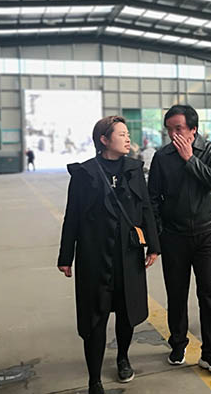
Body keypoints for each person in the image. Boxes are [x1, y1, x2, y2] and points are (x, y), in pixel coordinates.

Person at [57, 116, 160, 394]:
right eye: (121, 134)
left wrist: (153, 244)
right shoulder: (84, 173)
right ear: (104, 139)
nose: (128, 139)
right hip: (94, 257)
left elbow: (146, 208)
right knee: (95, 317)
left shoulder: (134, 169)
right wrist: (66, 256)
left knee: (127, 312)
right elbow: (72, 216)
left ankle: (123, 358)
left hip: (128, 254)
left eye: (128, 134)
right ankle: (94, 379)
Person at [148, 104, 211, 372]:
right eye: (169, 130)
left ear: (193, 129)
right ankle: (178, 344)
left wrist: (190, 159)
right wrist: (159, 233)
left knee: (209, 293)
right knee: (177, 294)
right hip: (174, 236)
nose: (173, 134)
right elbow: (152, 198)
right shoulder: (162, 157)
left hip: (207, 234)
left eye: (179, 128)